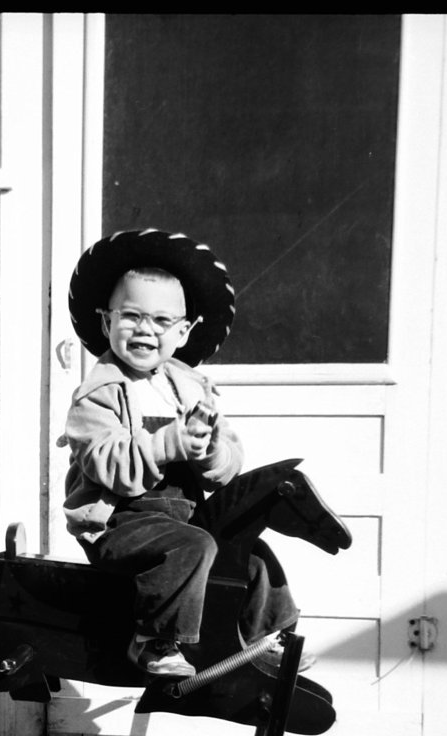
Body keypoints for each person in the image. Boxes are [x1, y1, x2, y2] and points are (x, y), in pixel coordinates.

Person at [60, 228, 350, 686]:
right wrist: (170, 444)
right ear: (105, 322)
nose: (144, 330)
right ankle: (154, 639)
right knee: (192, 546)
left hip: (186, 515)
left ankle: (267, 637)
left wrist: (208, 448)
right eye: (130, 316)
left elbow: (229, 463)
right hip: (122, 520)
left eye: (160, 321)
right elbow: (105, 464)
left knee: (251, 552)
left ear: (184, 331)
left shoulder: (191, 387)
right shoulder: (97, 393)